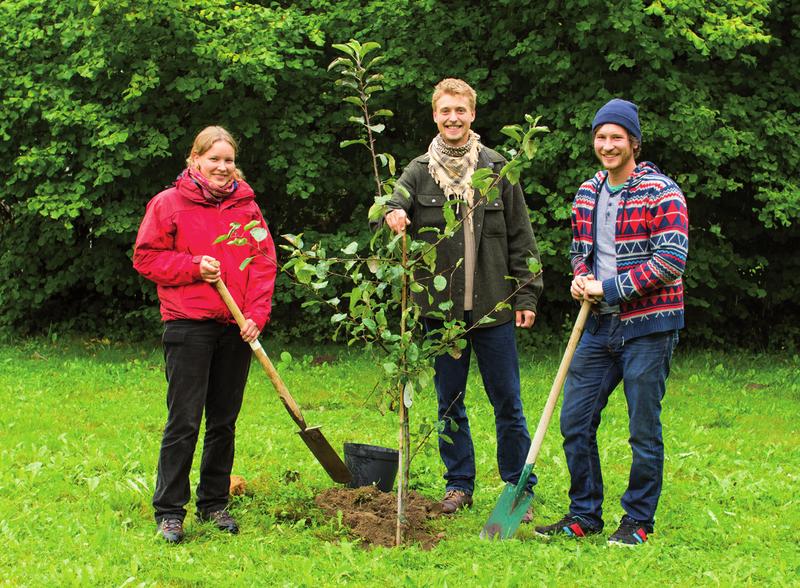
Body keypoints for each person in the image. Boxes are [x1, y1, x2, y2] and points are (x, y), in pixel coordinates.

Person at [383, 78, 543, 517]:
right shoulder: (419, 170)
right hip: (442, 315)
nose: (453, 118)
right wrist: (394, 212)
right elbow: (392, 200)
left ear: (473, 114)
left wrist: (526, 298)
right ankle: (458, 485)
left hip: (494, 309)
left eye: (461, 110)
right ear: (434, 115)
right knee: (448, 403)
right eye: (445, 111)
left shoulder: (497, 168)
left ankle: (517, 489)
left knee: (507, 401)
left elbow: (521, 238)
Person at [535, 99, 688, 546]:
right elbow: (580, 251)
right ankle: (584, 513)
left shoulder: (662, 191)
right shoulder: (588, 191)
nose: (607, 145)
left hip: (649, 327)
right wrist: (580, 279)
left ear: (633, 142)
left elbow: (671, 259)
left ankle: (638, 520)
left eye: (616, 137)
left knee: (643, 428)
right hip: (597, 326)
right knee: (575, 421)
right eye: (601, 137)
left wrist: (611, 287)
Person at [133, 126, 277, 543]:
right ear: (193, 160)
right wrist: (193, 266)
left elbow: (264, 262)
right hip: (188, 326)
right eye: (213, 158)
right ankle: (170, 511)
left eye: (228, 159)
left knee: (223, 421)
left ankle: (214, 503)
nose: (222, 166)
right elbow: (146, 258)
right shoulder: (169, 204)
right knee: (184, 420)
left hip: (236, 328)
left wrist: (255, 315)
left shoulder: (247, 208)